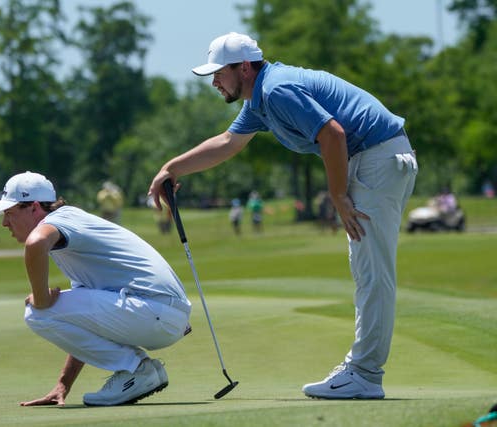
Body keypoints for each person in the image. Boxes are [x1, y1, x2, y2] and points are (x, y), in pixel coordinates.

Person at [148, 32, 418, 400]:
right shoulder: (259, 99)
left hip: (377, 156)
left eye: (218, 73)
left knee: (372, 270)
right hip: (376, 157)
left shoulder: (276, 89)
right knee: (366, 267)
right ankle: (362, 369)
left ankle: (366, 373)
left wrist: (337, 196)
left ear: (244, 68)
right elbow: (228, 143)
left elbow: (332, 134)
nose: (214, 81)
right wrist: (171, 168)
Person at [0, 171, 191, 407]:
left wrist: (41, 299)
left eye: (9, 213)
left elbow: (35, 243)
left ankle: (138, 371)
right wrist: (64, 383)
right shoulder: (71, 230)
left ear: (33, 208)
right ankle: (146, 370)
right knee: (45, 310)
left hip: (152, 310)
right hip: (163, 314)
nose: (4, 223)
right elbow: (83, 323)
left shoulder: (58, 223)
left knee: (36, 312)